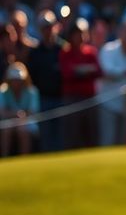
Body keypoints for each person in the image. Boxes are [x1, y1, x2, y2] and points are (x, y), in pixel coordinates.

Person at [97, 18, 126, 145]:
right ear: (120, 32)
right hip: (109, 105)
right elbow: (107, 71)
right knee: (108, 141)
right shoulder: (108, 49)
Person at [58, 18, 102, 149]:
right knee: (72, 135)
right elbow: (67, 74)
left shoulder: (91, 52)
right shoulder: (65, 53)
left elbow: (98, 72)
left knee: (90, 134)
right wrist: (85, 70)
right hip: (72, 99)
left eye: (82, 33)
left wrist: (79, 70)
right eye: (77, 33)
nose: (80, 37)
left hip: (89, 99)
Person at [27, 10, 65, 152]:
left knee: (60, 138)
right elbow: (32, 78)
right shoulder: (35, 52)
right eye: (44, 27)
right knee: (45, 138)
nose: (47, 30)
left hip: (61, 99)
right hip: (42, 100)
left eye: (49, 26)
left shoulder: (62, 49)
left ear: (55, 26)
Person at [0, 62, 40, 156]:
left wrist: (21, 116)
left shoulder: (32, 92)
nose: (16, 82)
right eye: (14, 80)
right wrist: (16, 114)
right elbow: (2, 112)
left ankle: (24, 158)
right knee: (6, 131)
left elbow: (32, 111)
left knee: (22, 130)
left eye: (18, 80)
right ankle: (4, 158)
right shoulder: (2, 91)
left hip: (27, 121)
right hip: (9, 121)